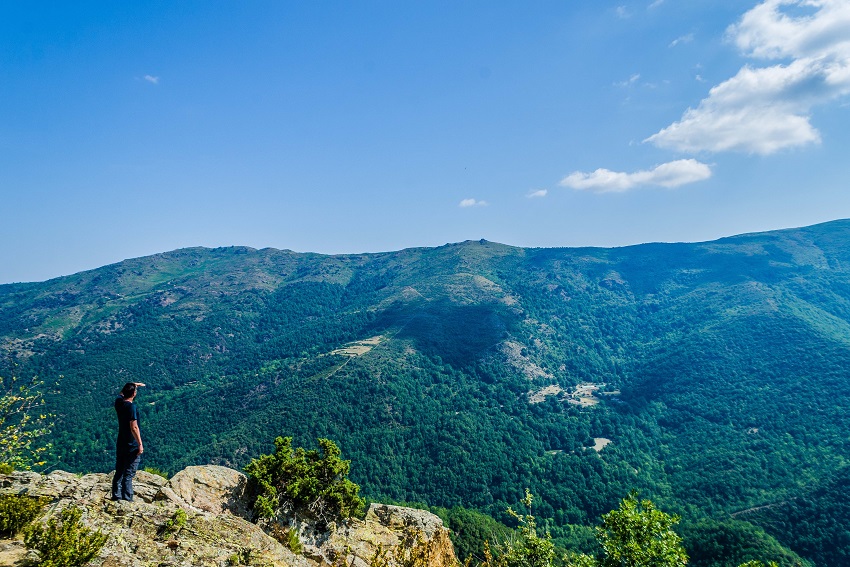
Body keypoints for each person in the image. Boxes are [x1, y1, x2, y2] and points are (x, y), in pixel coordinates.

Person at [111, 381, 145, 502]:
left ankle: (116, 495)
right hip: (132, 444)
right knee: (129, 473)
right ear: (134, 393)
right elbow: (134, 427)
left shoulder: (118, 403)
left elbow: (120, 394)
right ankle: (127, 498)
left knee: (119, 470)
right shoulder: (131, 407)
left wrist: (133, 385)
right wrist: (140, 444)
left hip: (121, 442)